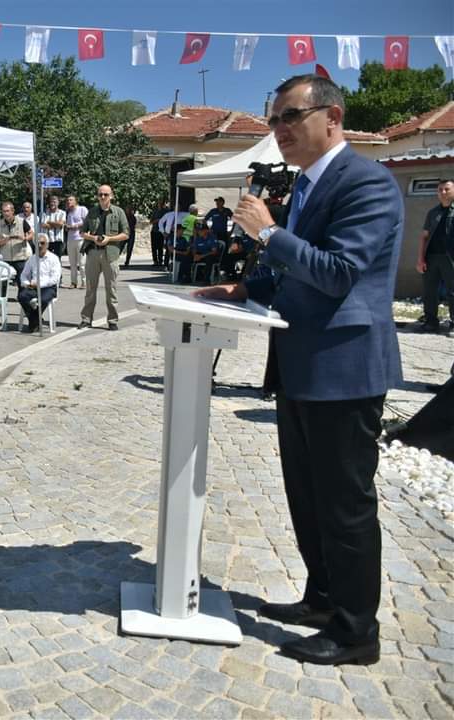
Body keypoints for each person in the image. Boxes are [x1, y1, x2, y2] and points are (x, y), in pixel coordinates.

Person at [194, 74, 404, 666]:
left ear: (330, 117)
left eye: (290, 117)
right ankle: (322, 597)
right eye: (273, 120)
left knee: (344, 504)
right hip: (300, 366)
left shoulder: (367, 182)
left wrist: (269, 233)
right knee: (306, 497)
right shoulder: (309, 185)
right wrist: (242, 287)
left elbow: (338, 272)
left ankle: (357, 631)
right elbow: (296, 276)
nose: (278, 129)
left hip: (346, 370)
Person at [78, 185, 128, 330]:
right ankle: (86, 319)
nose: (103, 197)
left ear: (111, 195)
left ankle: (112, 320)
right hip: (93, 252)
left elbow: (126, 234)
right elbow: (82, 232)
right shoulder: (92, 212)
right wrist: (93, 238)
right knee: (90, 289)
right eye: (100, 194)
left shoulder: (118, 212)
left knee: (111, 289)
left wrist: (109, 239)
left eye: (106, 194)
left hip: (110, 253)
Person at [417, 178, 454, 334]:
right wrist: (420, 259)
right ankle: (431, 322)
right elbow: (424, 236)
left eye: (447, 189)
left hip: (450, 258)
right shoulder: (433, 213)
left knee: (453, 291)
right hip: (432, 257)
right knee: (429, 291)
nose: (443, 192)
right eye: (440, 190)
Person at [17, 234, 62, 333]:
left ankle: (33, 322)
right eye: (38, 243)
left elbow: (55, 278)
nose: (40, 246)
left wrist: (40, 284)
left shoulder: (53, 258)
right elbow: (24, 275)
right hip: (33, 287)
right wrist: (26, 283)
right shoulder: (32, 259)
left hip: (48, 287)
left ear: (47, 245)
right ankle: (36, 320)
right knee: (22, 296)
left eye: (42, 243)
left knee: (43, 300)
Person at [0, 201, 33, 280]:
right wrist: (4, 241)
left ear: (12, 211)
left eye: (7, 211)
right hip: (5, 258)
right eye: (4, 211)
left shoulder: (21, 221)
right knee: (2, 284)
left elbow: (32, 234)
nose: (6, 213)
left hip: (20, 257)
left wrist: (25, 238)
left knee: (22, 282)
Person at [64, 195, 88, 288]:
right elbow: (68, 226)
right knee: (72, 263)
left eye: (71, 200)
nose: (69, 201)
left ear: (75, 201)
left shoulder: (82, 209)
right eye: (68, 200)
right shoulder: (69, 212)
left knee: (82, 263)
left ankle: (84, 282)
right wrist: (67, 227)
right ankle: (73, 282)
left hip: (80, 239)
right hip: (70, 239)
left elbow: (87, 221)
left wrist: (74, 226)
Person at [150, 199, 171, 268]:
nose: (160, 204)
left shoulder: (166, 211)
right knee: (154, 247)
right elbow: (151, 221)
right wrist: (157, 220)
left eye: (161, 203)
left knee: (160, 247)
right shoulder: (155, 211)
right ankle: (155, 261)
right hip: (154, 230)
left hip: (161, 231)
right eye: (159, 203)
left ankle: (160, 261)